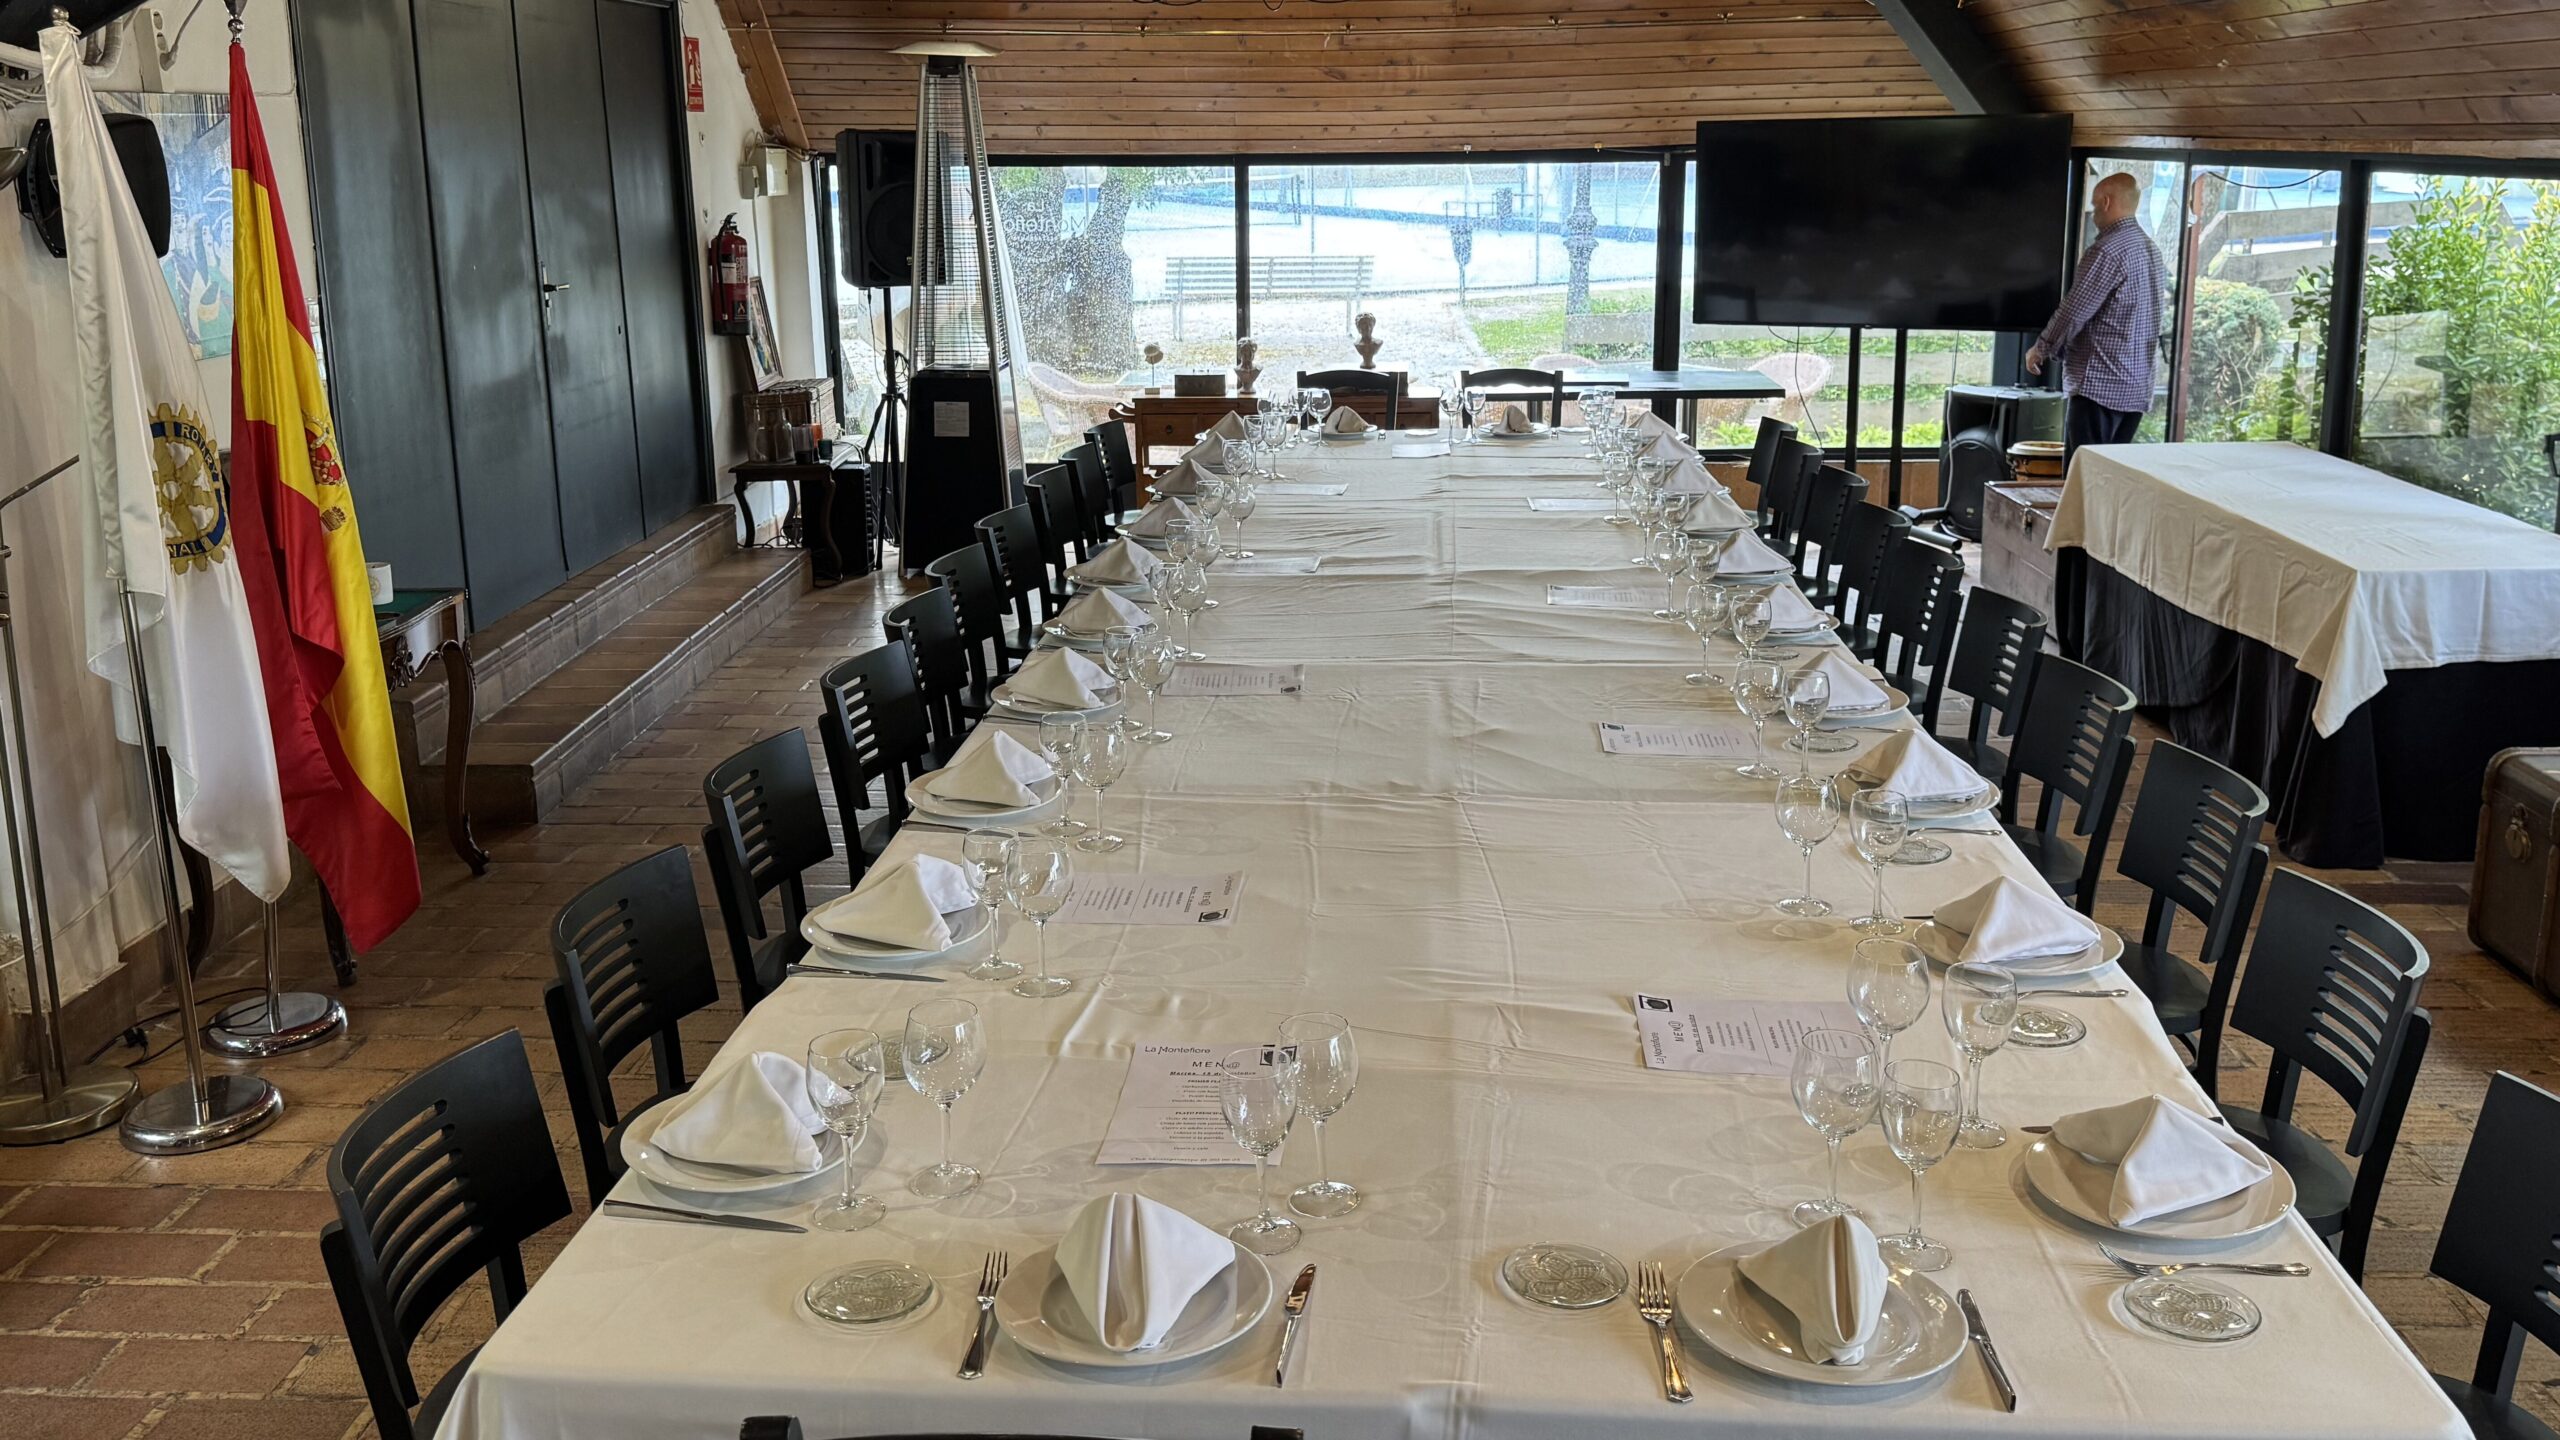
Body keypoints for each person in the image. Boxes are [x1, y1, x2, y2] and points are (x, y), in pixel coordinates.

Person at [2026, 172, 2165, 459]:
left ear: (2106, 202)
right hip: (2136, 388)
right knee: (2110, 476)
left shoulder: (2107, 250)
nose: (2092, 214)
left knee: (2084, 475)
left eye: (2093, 205)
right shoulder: (2151, 250)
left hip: (2100, 385)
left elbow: (2074, 311)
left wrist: (2041, 348)